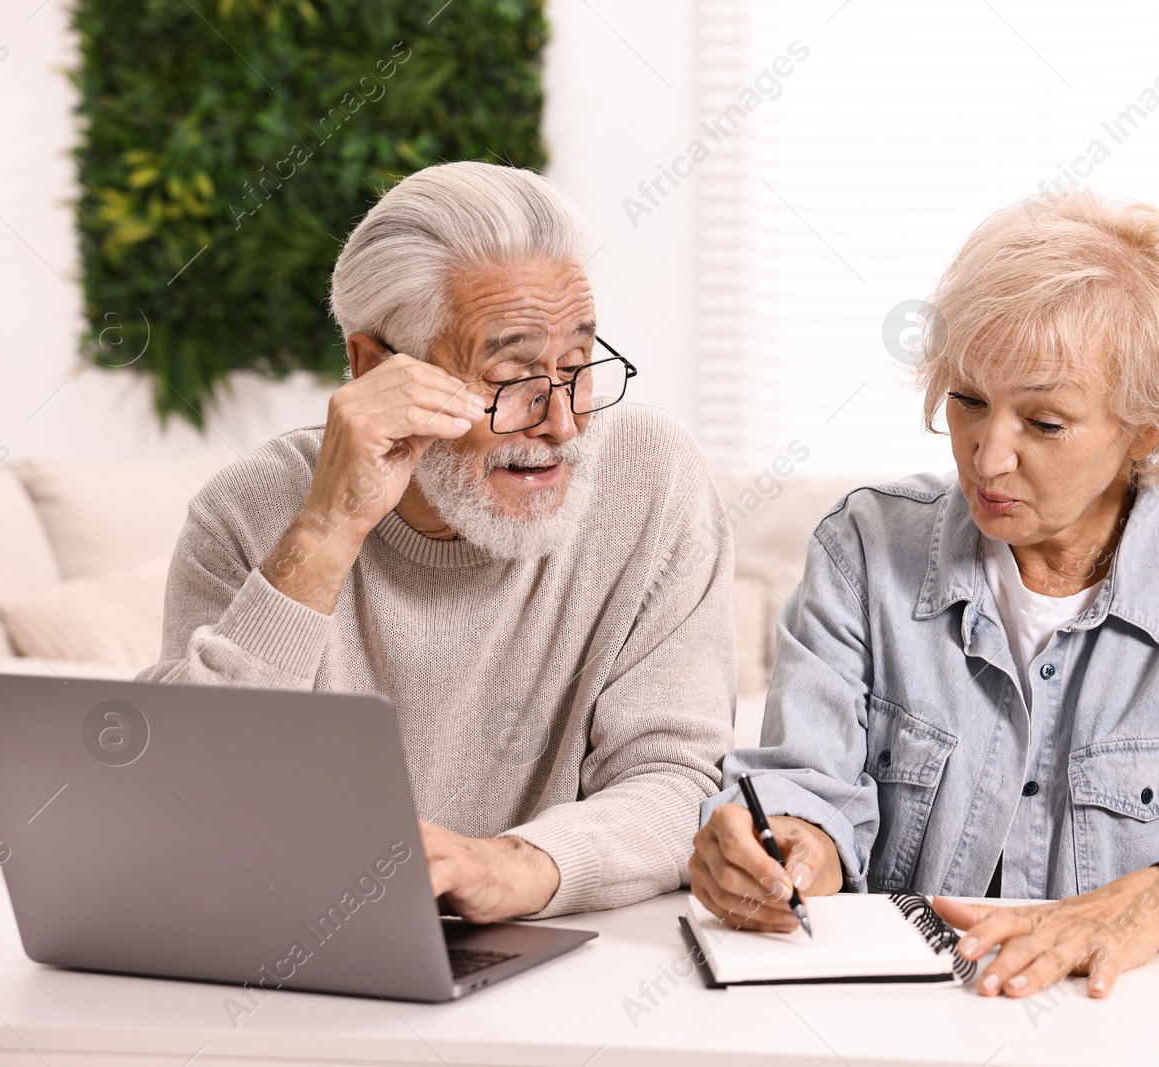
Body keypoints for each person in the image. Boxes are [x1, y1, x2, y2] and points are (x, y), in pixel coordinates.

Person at [690, 188, 1159, 997]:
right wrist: (784, 848)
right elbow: (806, 787)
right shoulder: (863, 553)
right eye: (968, 400)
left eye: (1045, 424)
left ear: (1146, 430)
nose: (987, 458)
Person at [142, 161, 735, 921]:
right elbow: (179, 798)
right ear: (373, 368)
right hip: (297, 949)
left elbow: (677, 776)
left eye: (578, 367)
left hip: (570, 952)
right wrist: (328, 530)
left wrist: (514, 865)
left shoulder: (652, 478)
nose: (561, 423)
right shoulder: (248, 511)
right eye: (511, 374)